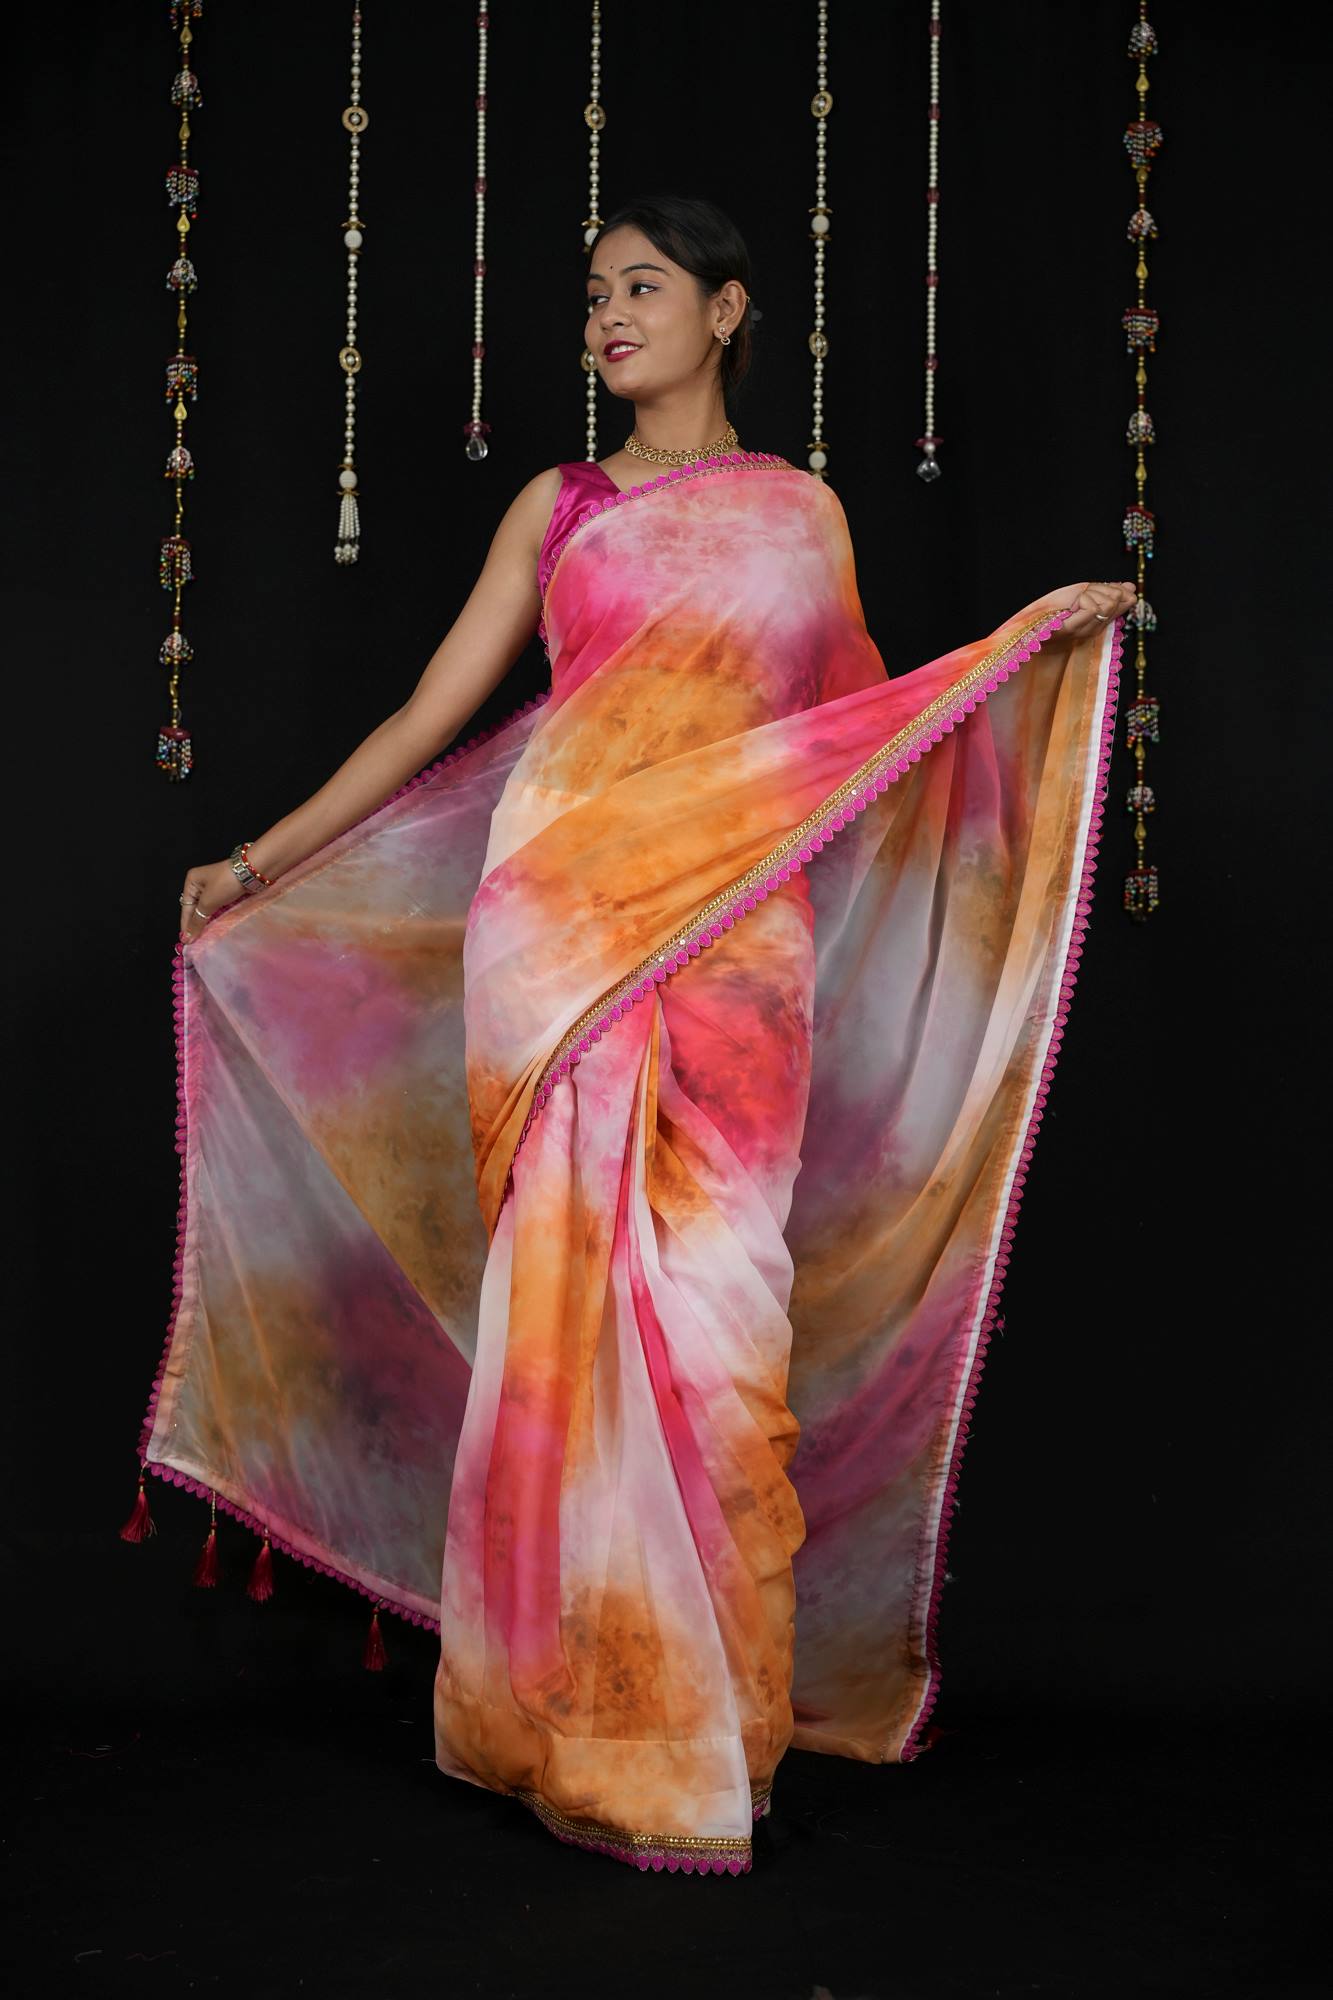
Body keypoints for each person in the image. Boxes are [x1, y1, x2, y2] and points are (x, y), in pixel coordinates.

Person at [143, 194, 1133, 1878]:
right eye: (595, 291)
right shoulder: (563, 506)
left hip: (738, 943)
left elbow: (860, 740)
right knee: (566, 1310)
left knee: (718, 1309)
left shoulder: (799, 514)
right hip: (558, 924)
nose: (608, 315)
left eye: (644, 287)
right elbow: (431, 708)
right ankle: (586, 1725)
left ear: (727, 310)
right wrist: (253, 861)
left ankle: (697, 1717)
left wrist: (1018, 659)